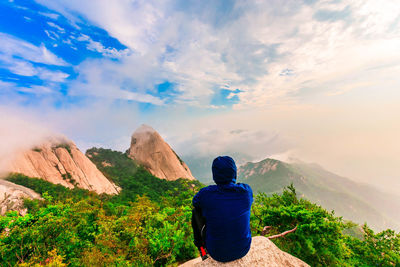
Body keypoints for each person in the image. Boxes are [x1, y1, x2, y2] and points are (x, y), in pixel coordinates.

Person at [192, 156, 253, 262]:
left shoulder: (206, 194)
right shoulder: (246, 191)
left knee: (196, 211)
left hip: (217, 253)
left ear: (214, 174)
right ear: (234, 172)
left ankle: (201, 248)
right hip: (243, 249)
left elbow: (195, 202)